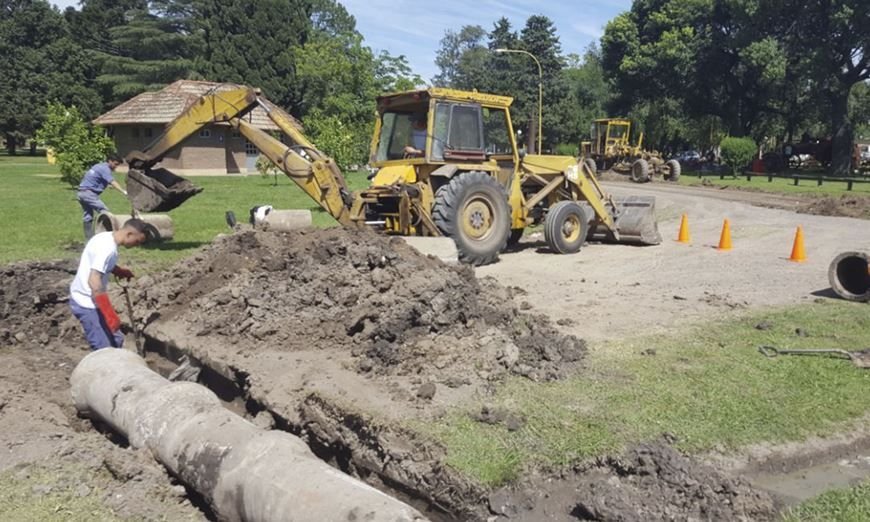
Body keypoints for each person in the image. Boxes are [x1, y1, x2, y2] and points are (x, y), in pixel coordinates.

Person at [69, 219, 149, 351]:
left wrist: (117, 270)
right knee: (104, 350)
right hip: (86, 303)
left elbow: (98, 262)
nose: (137, 245)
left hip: (90, 299)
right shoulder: (108, 249)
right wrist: (109, 314)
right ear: (129, 234)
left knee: (117, 340)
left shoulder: (104, 237)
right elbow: (94, 281)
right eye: (137, 241)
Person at [77, 153, 128, 240]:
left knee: (88, 217)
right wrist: (124, 192)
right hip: (89, 194)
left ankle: (89, 240)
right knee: (105, 212)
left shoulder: (98, 166)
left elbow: (94, 179)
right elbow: (112, 181)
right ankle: (108, 237)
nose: (116, 167)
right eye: (115, 164)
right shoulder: (105, 169)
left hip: (81, 193)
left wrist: (106, 186)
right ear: (110, 161)